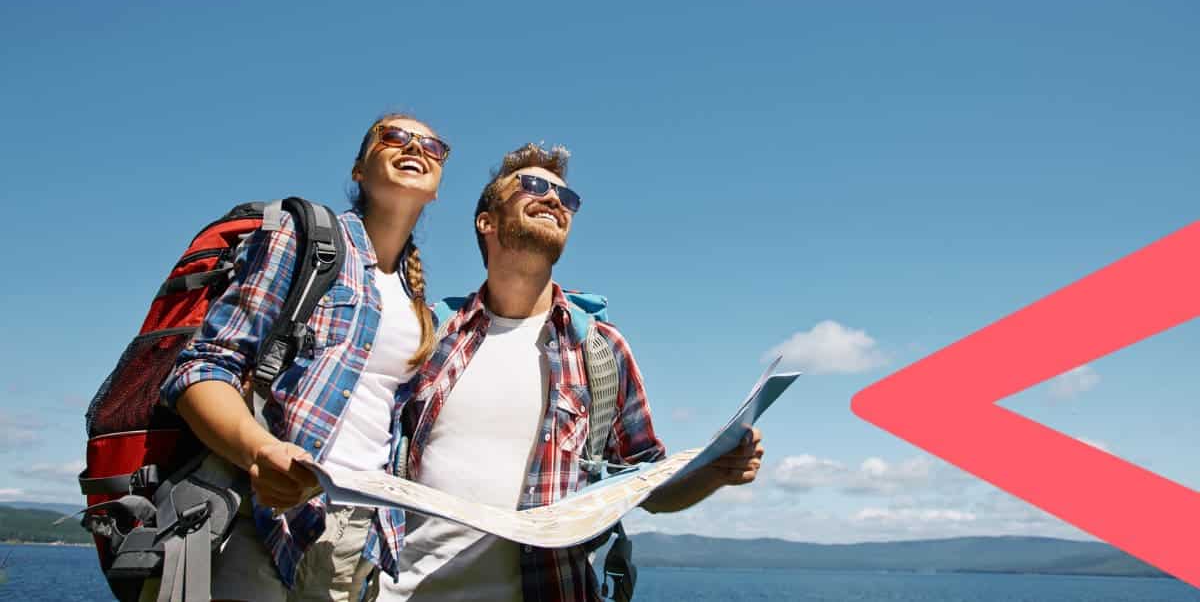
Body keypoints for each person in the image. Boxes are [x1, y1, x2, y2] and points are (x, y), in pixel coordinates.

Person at [381, 143, 766, 601]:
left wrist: (716, 470)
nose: (554, 200)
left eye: (567, 198)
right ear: (487, 221)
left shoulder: (600, 350)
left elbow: (647, 485)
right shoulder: (428, 334)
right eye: (535, 186)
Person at [158, 112, 451, 602]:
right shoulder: (305, 239)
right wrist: (259, 451)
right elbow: (201, 369)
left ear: (438, 186)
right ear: (359, 169)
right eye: (394, 137)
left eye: (432, 146)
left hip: (360, 531)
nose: (414, 148)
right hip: (265, 518)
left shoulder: (418, 302)